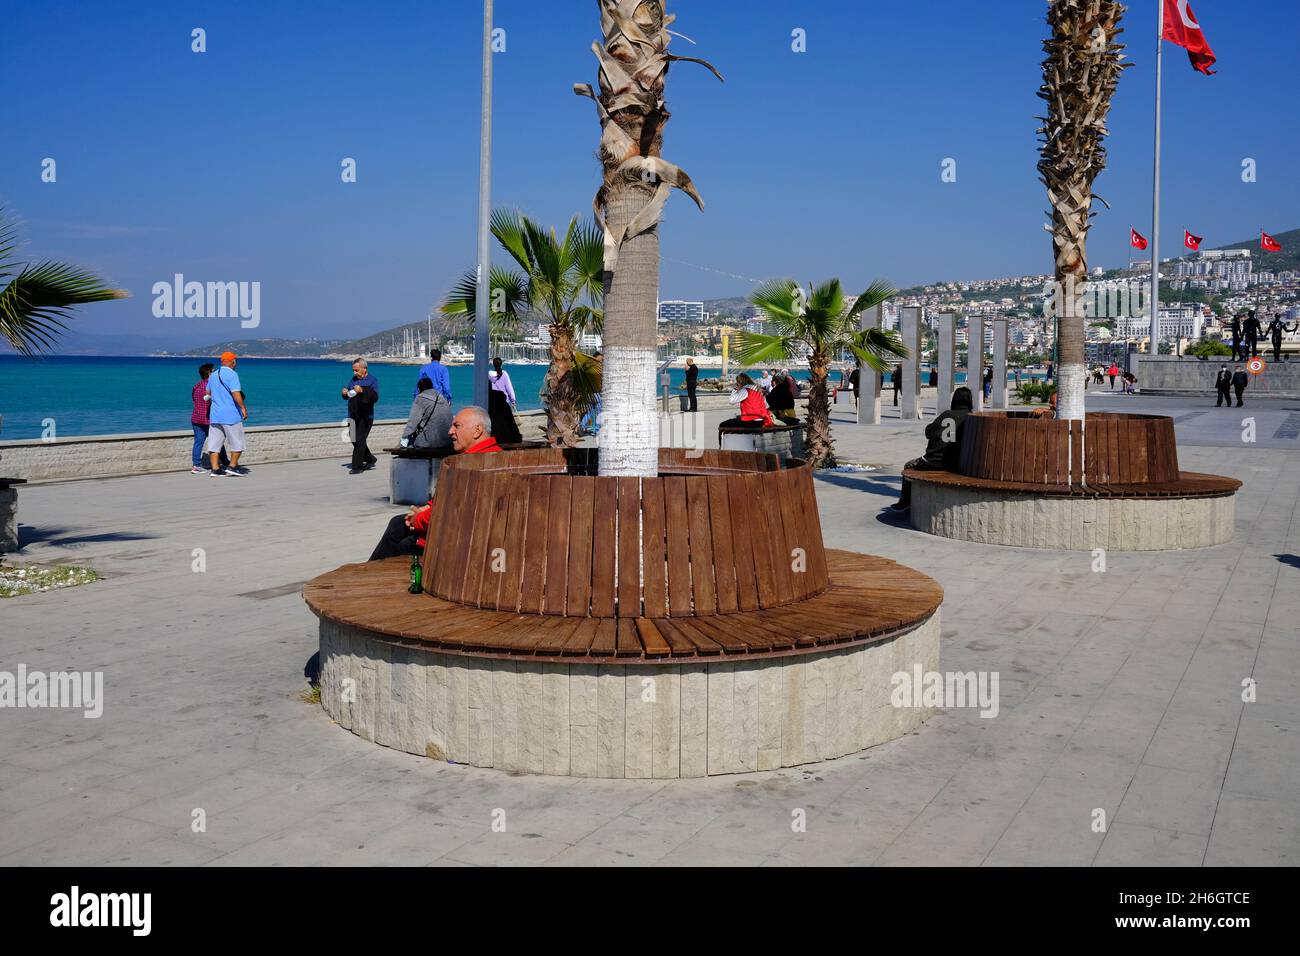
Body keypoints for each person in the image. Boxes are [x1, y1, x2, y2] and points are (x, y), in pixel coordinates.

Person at [369, 407, 501, 561]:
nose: (450, 431)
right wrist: (428, 507)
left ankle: (367, 574)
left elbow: (450, 513)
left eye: (457, 426)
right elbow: (452, 503)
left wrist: (418, 519)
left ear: (477, 430)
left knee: (401, 538)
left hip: (454, 545)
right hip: (471, 537)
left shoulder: (472, 465)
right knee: (398, 525)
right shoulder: (496, 456)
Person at [889, 386, 974, 513]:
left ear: (955, 400)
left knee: (908, 466)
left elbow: (928, 432)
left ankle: (905, 502)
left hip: (933, 462)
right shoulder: (972, 417)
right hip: (957, 463)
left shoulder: (947, 415)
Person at [206, 352, 248, 476]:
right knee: (237, 442)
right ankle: (232, 466)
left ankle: (215, 469)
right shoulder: (233, 375)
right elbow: (236, 393)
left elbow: (207, 391)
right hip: (230, 415)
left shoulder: (213, 375)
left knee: (214, 444)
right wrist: (243, 407)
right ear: (232, 361)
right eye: (235, 361)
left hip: (215, 415)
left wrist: (218, 398)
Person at [342, 358, 379, 475]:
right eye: (353, 370)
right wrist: (344, 393)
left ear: (364, 369)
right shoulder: (353, 380)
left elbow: (375, 397)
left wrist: (362, 390)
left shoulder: (372, 380)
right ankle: (370, 458)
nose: (354, 373)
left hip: (366, 416)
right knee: (354, 439)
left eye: (356, 370)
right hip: (352, 414)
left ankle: (357, 466)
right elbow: (349, 395)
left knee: (360, 441)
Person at [190, 363, 229, 474]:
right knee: (218, 441)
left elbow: (194, 400)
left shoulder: (196, 386)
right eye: (213, 370)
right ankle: (225, 462)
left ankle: (196, 465)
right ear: (209, 373)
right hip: (209, 419)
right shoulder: (212, 386)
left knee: (198, 442)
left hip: (196, 418)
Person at [400, 376, 453, 450]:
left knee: (408, 445)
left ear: (419, 389)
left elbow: (412, 422)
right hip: (448, 440)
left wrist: (403, 438)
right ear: (431, 387)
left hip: (430, 441)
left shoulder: (420, 398)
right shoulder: (442, 398)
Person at [487, 357, 522, 444]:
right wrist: (513, 400)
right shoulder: (504, 374)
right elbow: (509, 388)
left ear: (493, 364)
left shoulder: (489, 375)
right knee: (505, 424)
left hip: (492, 403)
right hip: (503, 403)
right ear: (501, 364)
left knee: (494, 424)